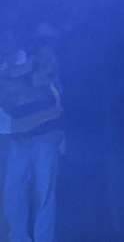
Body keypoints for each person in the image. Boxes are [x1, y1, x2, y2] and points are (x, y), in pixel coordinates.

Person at [0, 23, 65, 242]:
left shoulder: (35, 59)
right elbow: (11, 93)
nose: (4, 41)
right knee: (12, 195)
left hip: (44, 137)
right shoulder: (6, 67)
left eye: (7, 36)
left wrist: (21, 81)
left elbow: (48, 82)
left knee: (43, 195)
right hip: (20, 138)